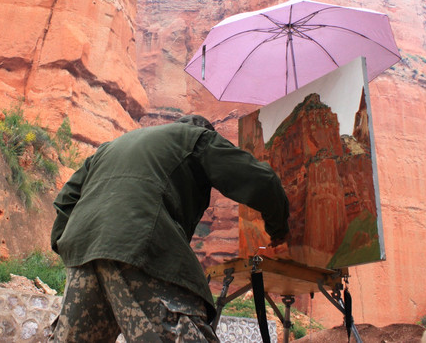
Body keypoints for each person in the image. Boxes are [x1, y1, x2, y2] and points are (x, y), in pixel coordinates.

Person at [49, 115, 290, 342]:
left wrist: (64, 242)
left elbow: (66, 200)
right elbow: (263, 181)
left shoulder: (109, 147)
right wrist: (278, 230)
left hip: (82, 254)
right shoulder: (196, 138)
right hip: (138, 246)